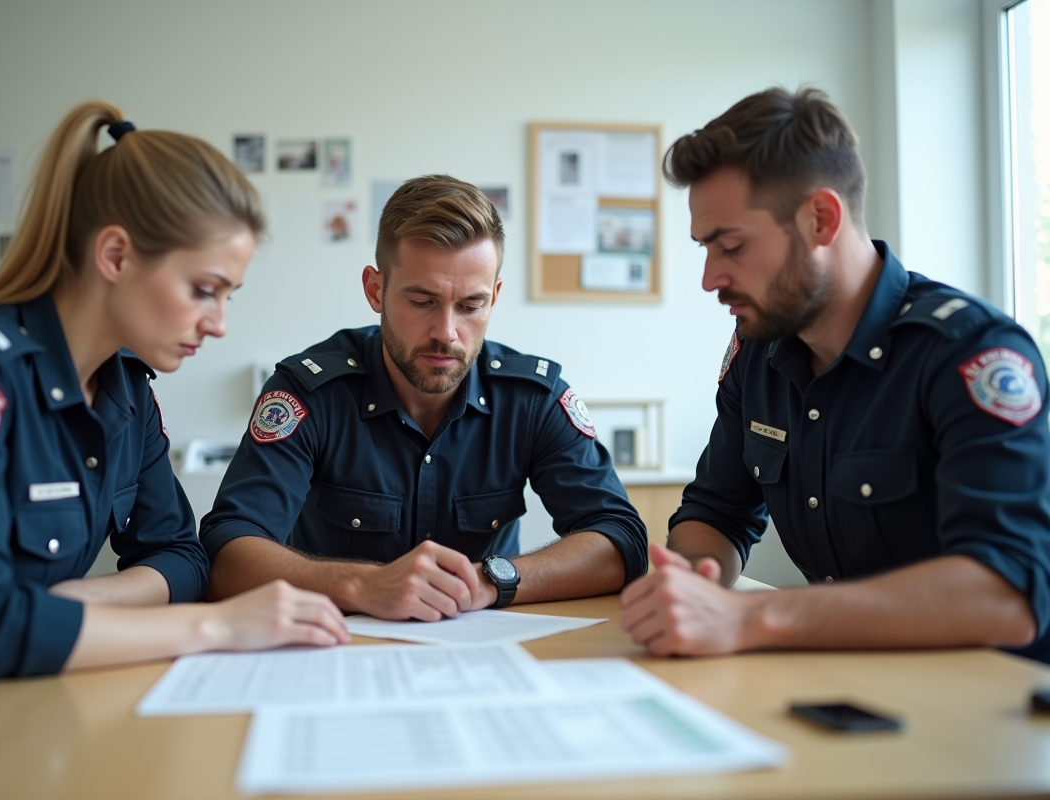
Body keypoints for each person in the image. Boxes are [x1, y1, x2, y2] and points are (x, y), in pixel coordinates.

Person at [0, 101, 348, 738]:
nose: (219, 323)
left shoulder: (124, 390)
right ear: (115, 255)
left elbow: (180, 556)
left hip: (17, 708)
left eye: (229, 295)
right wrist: (219, 626)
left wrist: (70, 603)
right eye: (203, 289)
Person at [619, 87, 1050, 662]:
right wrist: (695, 585)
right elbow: (716, 512)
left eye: (731, 246)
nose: (709, 278)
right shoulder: (759, 350)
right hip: (843, 678)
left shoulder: (968, 352)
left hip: (985, 703)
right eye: (705, 248)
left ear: (820, 218)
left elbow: (1007, 596)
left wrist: (749, 614)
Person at [202, 175, 647, 620]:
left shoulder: (532, 399)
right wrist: (365, 585)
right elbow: (228, 554)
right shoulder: (309, 393)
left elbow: (619, 539)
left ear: (494, 297)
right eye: (422, 301)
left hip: (485, 651)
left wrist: (486, 583)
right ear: (376, 290)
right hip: (335, 648)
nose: (447, 333)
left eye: (471, 306)